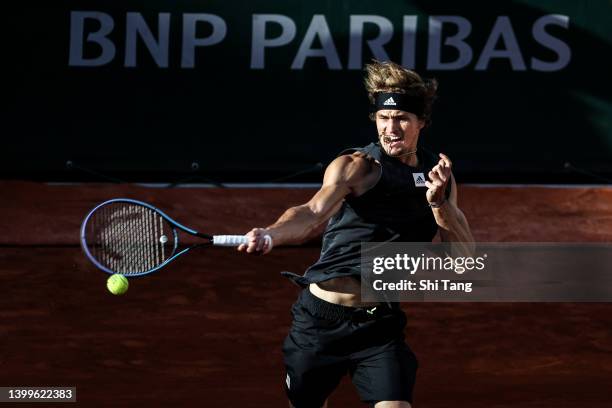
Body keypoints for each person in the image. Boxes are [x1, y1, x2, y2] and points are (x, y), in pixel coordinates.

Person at [238, 60, 474, 408]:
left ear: (421, 122)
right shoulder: (358, 167)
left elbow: (463, 260)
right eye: (384, 118)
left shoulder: (439, 177)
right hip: (320, 322)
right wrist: (272, 233)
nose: (391, 129)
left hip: (379, 325)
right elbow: (312, 212)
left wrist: (440, 205)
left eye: (402, 119)